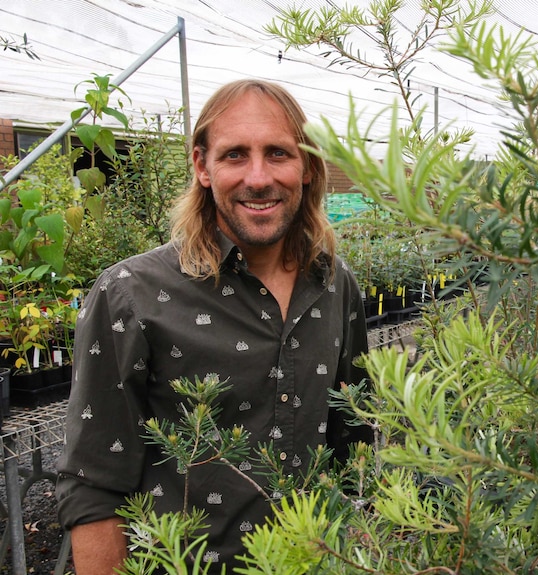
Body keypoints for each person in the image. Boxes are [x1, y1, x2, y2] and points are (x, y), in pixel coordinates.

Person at [55, 79, 372, 573]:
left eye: (278, 153)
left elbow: (350, 443)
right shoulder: (129, 296)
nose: (259, 177)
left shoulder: (335, 285)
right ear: (203, 167)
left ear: (308, 167)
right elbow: (94, 483)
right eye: (235, 156)